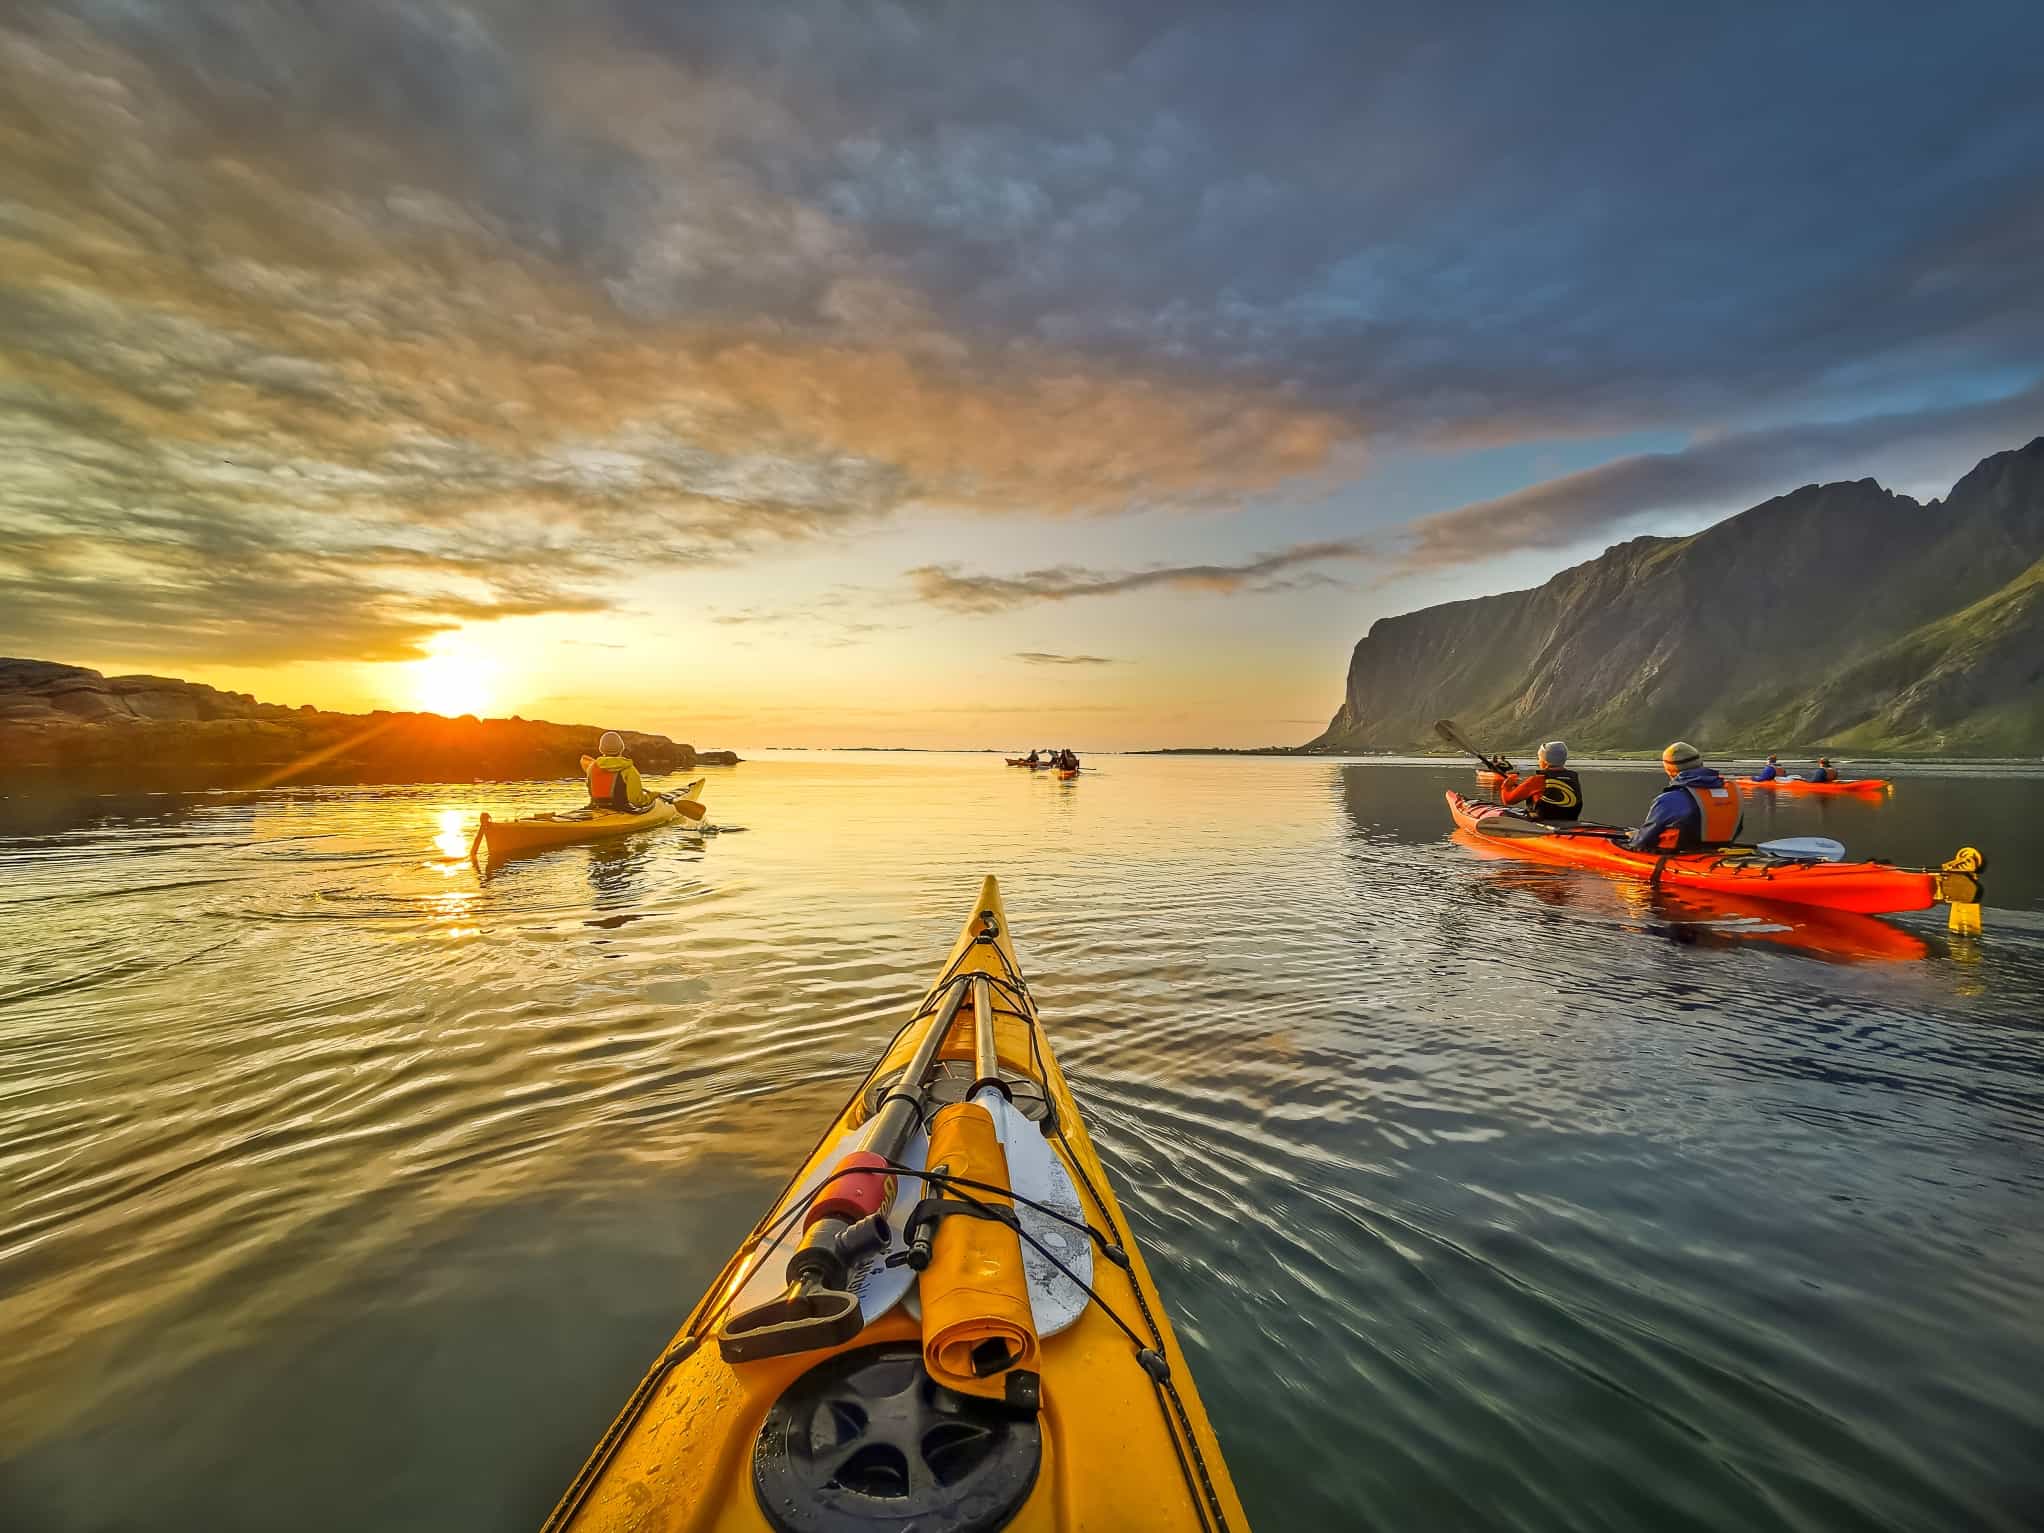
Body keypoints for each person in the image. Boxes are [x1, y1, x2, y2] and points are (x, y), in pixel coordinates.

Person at [1624, 741, 1742, 852]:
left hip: (1684, 855)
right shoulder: (1733, 792)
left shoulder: (1668, 799)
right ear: (1701, 763)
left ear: (1669, 770)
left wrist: (1635, 836)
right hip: (1722, 851)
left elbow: (1643, 841)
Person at [1496, 740, 1582, 821]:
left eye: (1539, 758)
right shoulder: (1573, 777)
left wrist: (1506, 785)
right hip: (1570, 820)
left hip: (1543, 821)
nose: (1539, 761)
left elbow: (1508, 800)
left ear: (1545, 761)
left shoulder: (1537, 779)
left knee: (1503, 813)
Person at [585, 730, 656, 812]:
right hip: (622, 809)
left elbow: (590, 789)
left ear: (601, 749)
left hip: (596, 807)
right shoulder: (628, 769)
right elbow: (636, 801)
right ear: (621, 748)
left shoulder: (591, 768)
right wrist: (651, 796)